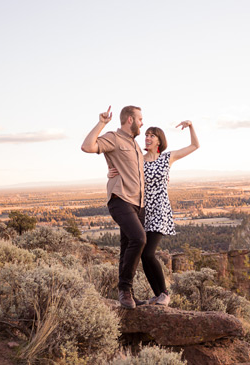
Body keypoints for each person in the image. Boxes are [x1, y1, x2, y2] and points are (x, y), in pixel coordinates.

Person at [109, 121, 200, 306]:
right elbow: (121, 168)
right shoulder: (138, 160)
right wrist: (111, 172)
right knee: (142, 255)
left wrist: (190, 126)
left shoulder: (167, 157)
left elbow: (195, 146)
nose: (148, 138)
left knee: (148, 253)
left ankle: (164, 293)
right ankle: (158, 294)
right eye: (147, 135)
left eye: (152, 135)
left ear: (159, 141)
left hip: (159, 211)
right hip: (142, 210)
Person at [80, 105, 146, 309]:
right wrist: (101, 123)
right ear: (129, 120)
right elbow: (87, 147)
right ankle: (124, 289)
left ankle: (129, 294)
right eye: (140, 119)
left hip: (138, 203)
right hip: (120, 199)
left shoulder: (135, 145)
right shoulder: (114, 138)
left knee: (127, 247)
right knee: (139, 239)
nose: (142, 122)